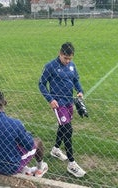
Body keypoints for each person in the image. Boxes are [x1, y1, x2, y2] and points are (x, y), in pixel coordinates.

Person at [38, 42, 86, 178]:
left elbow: (76, 80)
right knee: (68, 130)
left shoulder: (72, 65)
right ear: (60, 53)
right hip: (58, 104)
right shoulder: (50, 66)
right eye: (65, 58)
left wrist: (80, 91)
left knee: (63, 127)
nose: (68, 61)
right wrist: (50, 99)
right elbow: (41, 84)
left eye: (70, 58)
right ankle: (72, 164)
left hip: (69, 102)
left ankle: (55, 149)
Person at [0, 90, 48, 177]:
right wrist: (27, 135)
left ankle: (25, 169)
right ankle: (39, 169)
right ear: (5, 102)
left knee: (9, 143)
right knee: (38, 141)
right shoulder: (15, 123)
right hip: (10, 167)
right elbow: (29, 146)